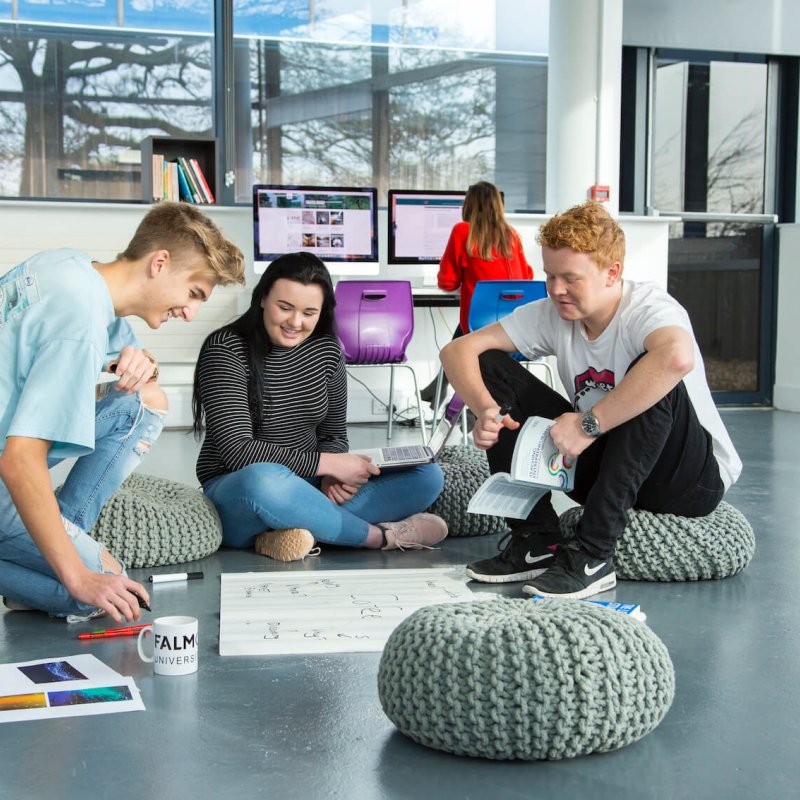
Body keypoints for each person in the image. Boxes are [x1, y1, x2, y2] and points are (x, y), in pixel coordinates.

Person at [440, 201, 742, 600]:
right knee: (492, 364)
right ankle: (535, 540)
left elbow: (676, 358)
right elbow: (458, 350)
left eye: (571, 278)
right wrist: (486, 410)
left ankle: (593, 555)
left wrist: (588, 424)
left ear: (612, 273)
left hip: (688, 481)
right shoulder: (554, 312)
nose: (556, 289)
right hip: (612, 466)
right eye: (549, 276)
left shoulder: (648, 309)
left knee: (652, 372)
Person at [0, 201, 245, 622]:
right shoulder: (79, 320)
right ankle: (60, 558)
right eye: (193, 293)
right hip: (8, 467)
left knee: (146, 402)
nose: (190, 313)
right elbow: (20, 461)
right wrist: (78, 575)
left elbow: (132, 367)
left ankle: (56, 538)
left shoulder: (71, 269)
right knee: (105, 584)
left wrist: (142, 360)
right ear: (160, 263)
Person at [192, 251, 448, 561]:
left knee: (427, 475)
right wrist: (326, 465)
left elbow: (334, 435)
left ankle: (292, 533)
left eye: (308, 312)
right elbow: (237, 450)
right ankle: (379, 537)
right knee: (264, 480)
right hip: (241, 490)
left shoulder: (327, 351)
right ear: (261, 299)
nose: (295, 322)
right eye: (284, 308)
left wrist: (332, 478)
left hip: (309, 487)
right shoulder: (225, 349)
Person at [421, 180, 533, 405]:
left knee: (468, 329)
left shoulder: (462, 231)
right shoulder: (511, 235)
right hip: (516, 326)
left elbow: (447, 281)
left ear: (469, 206)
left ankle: (449, 392)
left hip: (481, 324)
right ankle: (438, 386)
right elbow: (527, 277)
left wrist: (468, 277)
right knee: (466, 330)